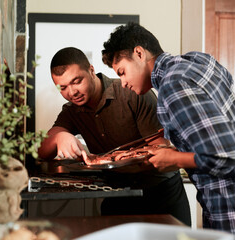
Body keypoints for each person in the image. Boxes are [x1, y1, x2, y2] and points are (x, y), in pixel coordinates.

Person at [101, 22, 235, 239]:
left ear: (139, 53)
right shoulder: (197, 61)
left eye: (122, 72)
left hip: (233, 211)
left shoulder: (173, 84)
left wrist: (174, 159)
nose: (123, 83)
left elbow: (228, 154)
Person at [38, 47, 191, 226]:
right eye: (62, 88)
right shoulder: (72, 111)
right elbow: (42, 151)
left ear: (91, 70)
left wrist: (118, 159)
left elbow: (160, 149)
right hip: (118, 193)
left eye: (76, 81)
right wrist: (59, 136)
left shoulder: (132, 92)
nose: (72, 92)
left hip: (160, 191)